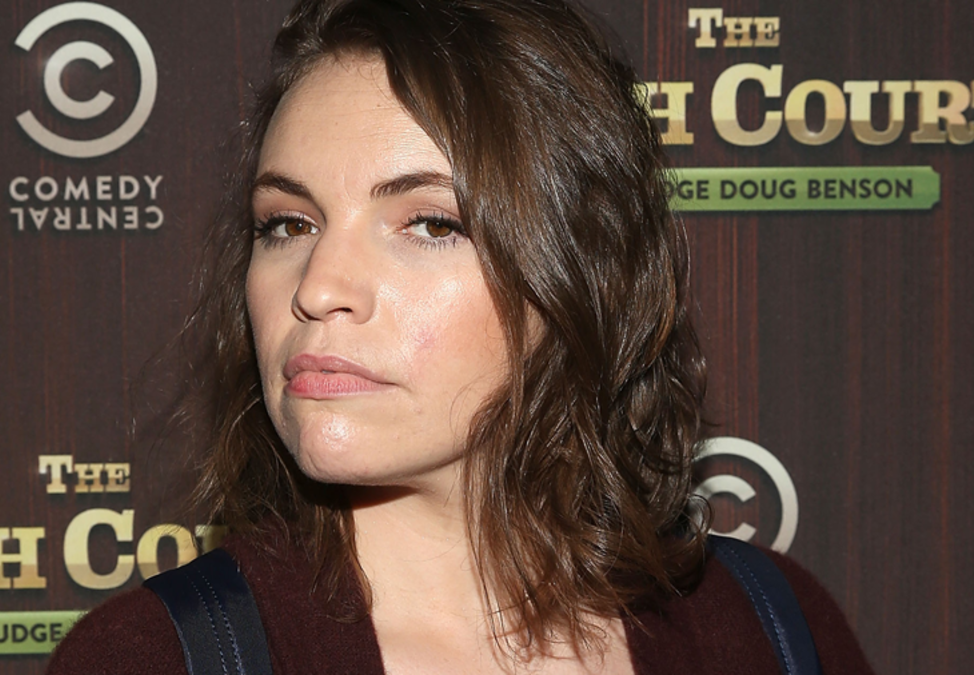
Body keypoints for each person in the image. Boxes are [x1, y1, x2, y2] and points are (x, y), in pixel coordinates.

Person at [47, 0, 875, 673]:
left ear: (582, 270)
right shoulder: (148, 659)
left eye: (430, 223)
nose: (318, 287)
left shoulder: (772, 630)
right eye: (288, 223)